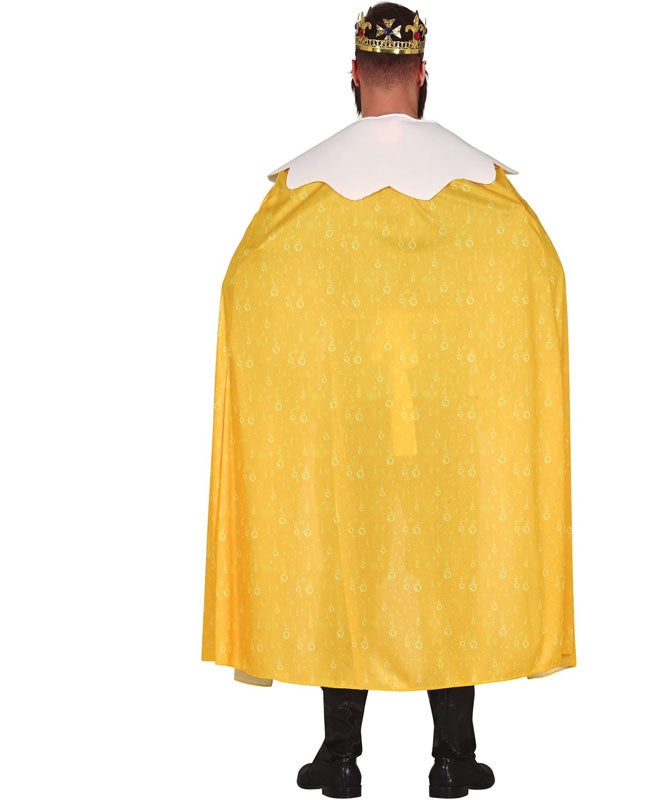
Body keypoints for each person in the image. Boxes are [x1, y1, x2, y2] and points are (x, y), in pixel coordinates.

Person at [201, 4, 576, 797]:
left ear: (353, 74)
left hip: (344, 423)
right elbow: (538, 278)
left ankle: (340, 758)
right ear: (423, 75)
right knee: (449, 567)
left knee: (348, 566)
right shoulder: (485, 189)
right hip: (446, 424)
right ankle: (453, 758)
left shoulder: (300, 190)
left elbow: (246, 288)